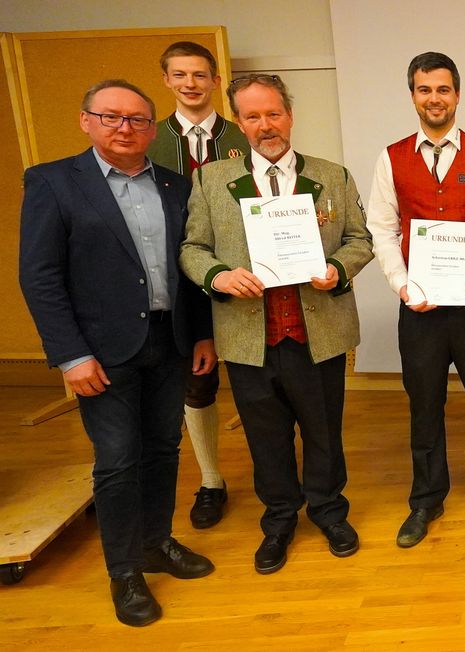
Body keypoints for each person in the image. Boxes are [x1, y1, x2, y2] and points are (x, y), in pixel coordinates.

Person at [19, 79, 216, 626]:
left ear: (154, 129)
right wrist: (69, 355)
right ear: (86, 121)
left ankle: (157, 543)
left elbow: (188, 265)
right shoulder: (54, 182)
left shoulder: (176, 186)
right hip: (100, 354)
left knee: (164, 447)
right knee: (117, 461)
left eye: (137, 120)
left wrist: (201, 333)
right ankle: (124, 572)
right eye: (111, 117)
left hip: (169, 341)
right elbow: (39, 277)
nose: (125, 128)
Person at [179, 74, 373, 574]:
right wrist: (219, 276)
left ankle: (329, 511)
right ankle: (280, 520)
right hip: (248, 337)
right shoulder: (212, 181)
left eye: (273, 113)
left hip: (317, 331)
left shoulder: (332, 176)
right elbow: (192, 250)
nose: (266, 126)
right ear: (238, 123)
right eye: (252, 116)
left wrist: (338, 269)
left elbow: (359, 239)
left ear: (289, 114)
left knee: (324, 431)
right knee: (266, 437)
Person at [366, 52, 465, 547]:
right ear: (413, 95)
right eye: (424, 89)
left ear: (457, 95)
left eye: (443, 89)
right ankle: (426, 499)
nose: (434, 98)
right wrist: (401, 283)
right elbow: (382, 228)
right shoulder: (391, 157)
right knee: (424, 405)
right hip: (421, 308)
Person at [147, 40, 250, 529]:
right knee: (197, 379)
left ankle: (279, 477)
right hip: (174, 274)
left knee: (258, 376)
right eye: (180, 75)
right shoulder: (147, 139)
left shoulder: (244, 133)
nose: (190, 83)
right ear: (166, 80)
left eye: (200, 75)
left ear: (215, 81)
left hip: (244, 275)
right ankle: (211, 481)